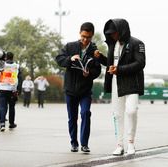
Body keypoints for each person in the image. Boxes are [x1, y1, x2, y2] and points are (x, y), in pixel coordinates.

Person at [94, 18, 146, 155]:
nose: (112, 35)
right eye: (110, 33)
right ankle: (119, 144)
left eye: (114, 32)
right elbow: (111, 63)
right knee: (117, 115)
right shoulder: (112, 45)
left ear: (122, 31)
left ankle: (131, 143)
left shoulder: (137, 43)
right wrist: (100, 58)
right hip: (116, 83)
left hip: (132, 84)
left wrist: (119, 70)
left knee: (131, 111)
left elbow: (140, 63)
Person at [55, 22, 102, 153]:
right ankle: (74, 143)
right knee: (72, 117)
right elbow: (59, 59)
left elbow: (97, 70)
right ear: (80, 33)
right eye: (83, 36)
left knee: (85, 113)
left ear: (92, 36)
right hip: (70, 89)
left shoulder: (95, 51)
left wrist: (90, 74)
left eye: (88, 37)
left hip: (85, 90)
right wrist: (70, 59)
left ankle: (84, 144)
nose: (85, 40)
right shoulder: (70, 46)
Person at [0, 52, 22, 132]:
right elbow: (20, 78)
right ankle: (11, 124)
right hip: (12, 89)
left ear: (5, 57)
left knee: (2, 106)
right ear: (13, 57)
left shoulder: (1, 66)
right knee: (12, 107)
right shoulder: (17, 66)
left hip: (2, 89)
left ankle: (2, 124)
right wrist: (19, 90)